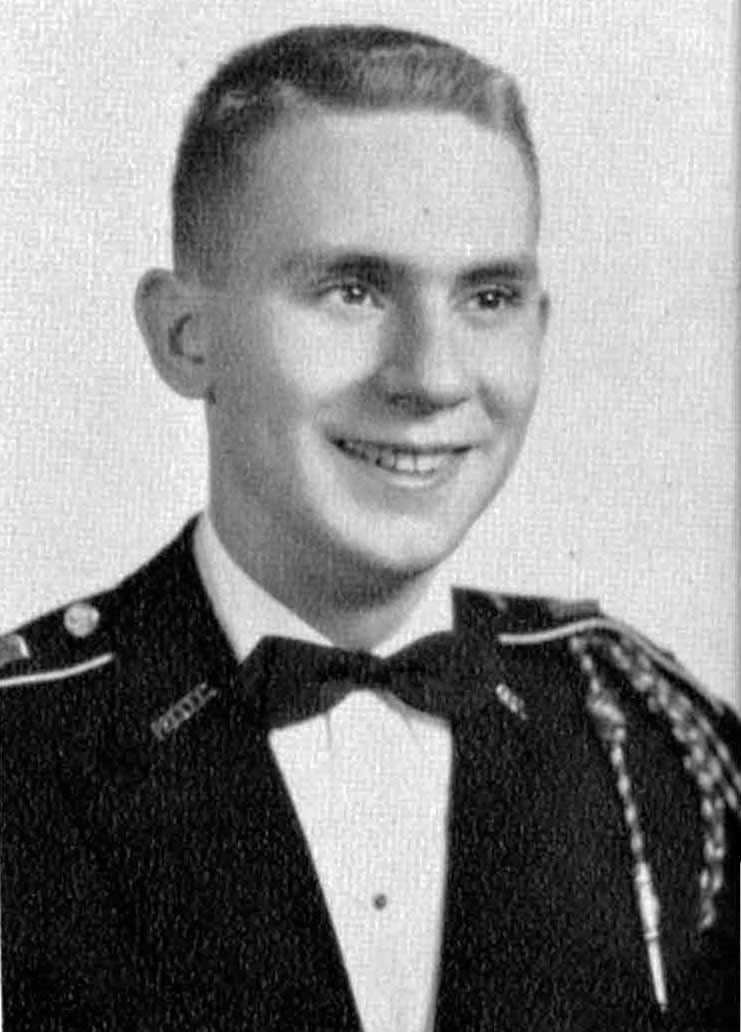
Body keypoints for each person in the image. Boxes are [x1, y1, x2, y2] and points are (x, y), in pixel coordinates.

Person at [0, 24, 737, 1032]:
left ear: (539, 329)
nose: (431, 376)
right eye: (352, 290)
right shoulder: (23, 756)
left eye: (488, 297)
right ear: (186, 336)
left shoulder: (652, 750)